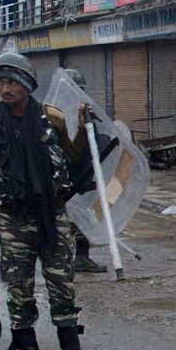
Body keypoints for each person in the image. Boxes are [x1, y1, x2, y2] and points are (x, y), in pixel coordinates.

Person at [0, 52, 107, 350]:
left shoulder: (52, 119)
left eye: (12, 81)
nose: (5, 88)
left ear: (28, 83)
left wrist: (84, 132)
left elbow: (69, 165)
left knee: (63, 285)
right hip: (12, 221)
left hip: (52, 215)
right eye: (0, 82)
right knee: (19, 289)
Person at [61, 67, 106, 274]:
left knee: (83, 218)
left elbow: (97, 139)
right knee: (73, 219)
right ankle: (72, 257)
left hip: (83, 175)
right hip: (71, 175)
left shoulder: (83, 110)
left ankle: (80, 257)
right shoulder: (56, 114)